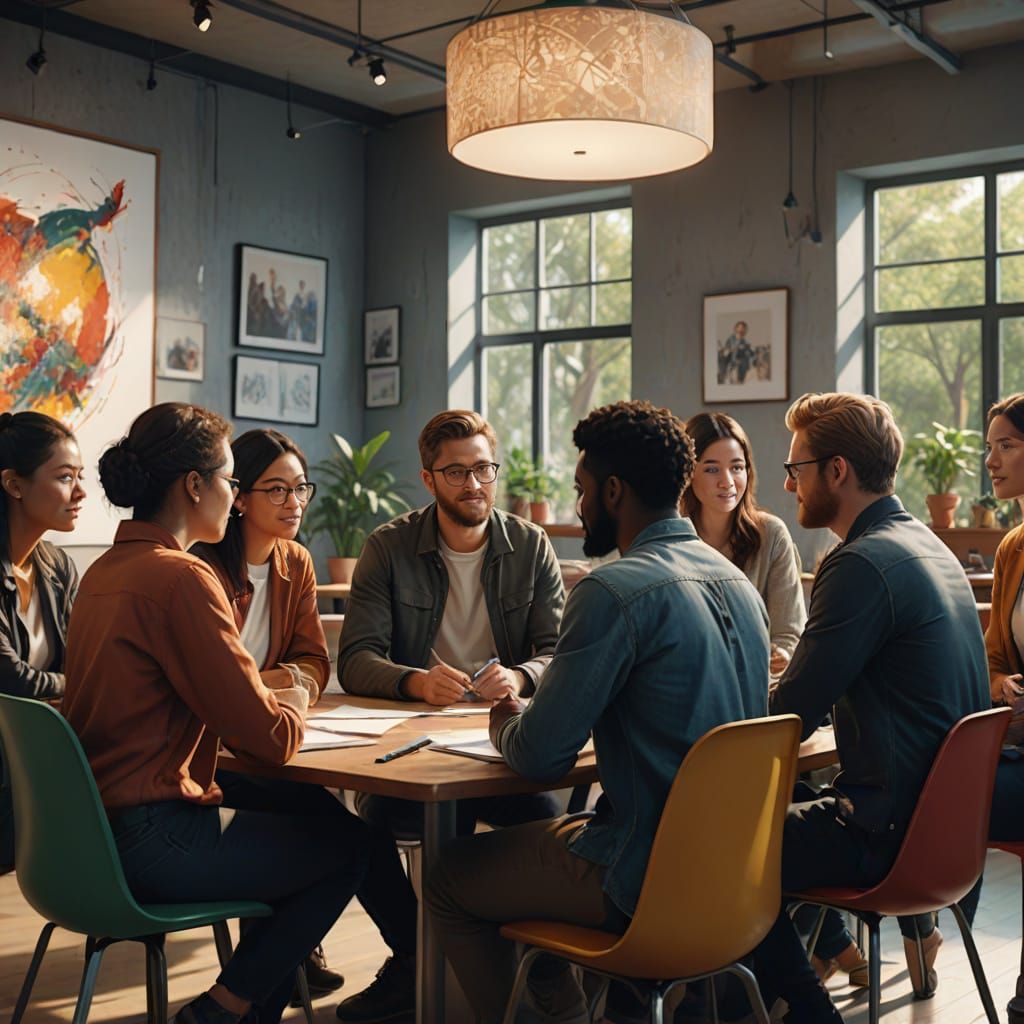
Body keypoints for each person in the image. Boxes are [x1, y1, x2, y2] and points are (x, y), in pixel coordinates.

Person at [425, 400, 770, 1024]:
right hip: (735, 881)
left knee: (447, 876)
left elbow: (540, 755)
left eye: (583, 490)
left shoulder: (612, 591)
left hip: (641, 874)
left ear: (614, 491)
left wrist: (504, 716)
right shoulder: (738, 584)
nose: (579, 505)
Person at [61, 403, 374, 1024]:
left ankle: (238, 1008)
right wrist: (297, 695)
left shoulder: (101, 571)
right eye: (232, 481)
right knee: (352, 846)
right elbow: (272, 740)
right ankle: (224, 1010)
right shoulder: (181, 578)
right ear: (194, 485)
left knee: (307, 820)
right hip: (155, 840)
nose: (234, 499)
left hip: (88, 840)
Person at [752, 392, 989, 1024]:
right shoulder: (929, 547)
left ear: (837, 471)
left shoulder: (858, 562)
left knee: (714, 844)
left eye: (796, 469)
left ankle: (804, 1012)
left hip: (884, 837)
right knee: (773, 817)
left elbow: (791, 714)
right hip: (945, 839)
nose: (789, 485)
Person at [193, 428, 418, 1018]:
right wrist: (271, 684)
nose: (294, 502)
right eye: (277, 489)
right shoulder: (199, 568)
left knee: (342, 826)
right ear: (238, 496)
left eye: (300, 488)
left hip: (269, 740)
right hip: (210, 756)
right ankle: (405, 956)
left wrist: (271, 683)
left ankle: (304, 958)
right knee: (344, 835)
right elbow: (206, 684)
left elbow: (315, 661)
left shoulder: (295, 562)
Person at [339, 409, 566, 837]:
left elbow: (559, 652)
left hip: (501, 740)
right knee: (408, 823)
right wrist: (417, 683)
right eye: (457, 472)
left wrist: (518, 678)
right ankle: (434, 887)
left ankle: (479, 885)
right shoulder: (387, 547)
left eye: (483, 469)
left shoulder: (531, 545)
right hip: (413, 743)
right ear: (429, 480)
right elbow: (355, 659)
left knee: (549, 826)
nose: (474, 484)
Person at [0, 411, 85, 868]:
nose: (81, 492)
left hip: (34, 757)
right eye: (66, 477)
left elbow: (84, 661)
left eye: (80, 476)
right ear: (14, 484)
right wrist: (74, 685)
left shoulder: (57, 566)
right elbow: (11, 678)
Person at [682, 411, 805, 676]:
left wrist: (781, 654)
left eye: (737, 467)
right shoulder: (672, 540)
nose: (727, 481)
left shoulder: (771, 535)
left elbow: (790, 634)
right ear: (688, 473)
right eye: (712, 469)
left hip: (755, 684)